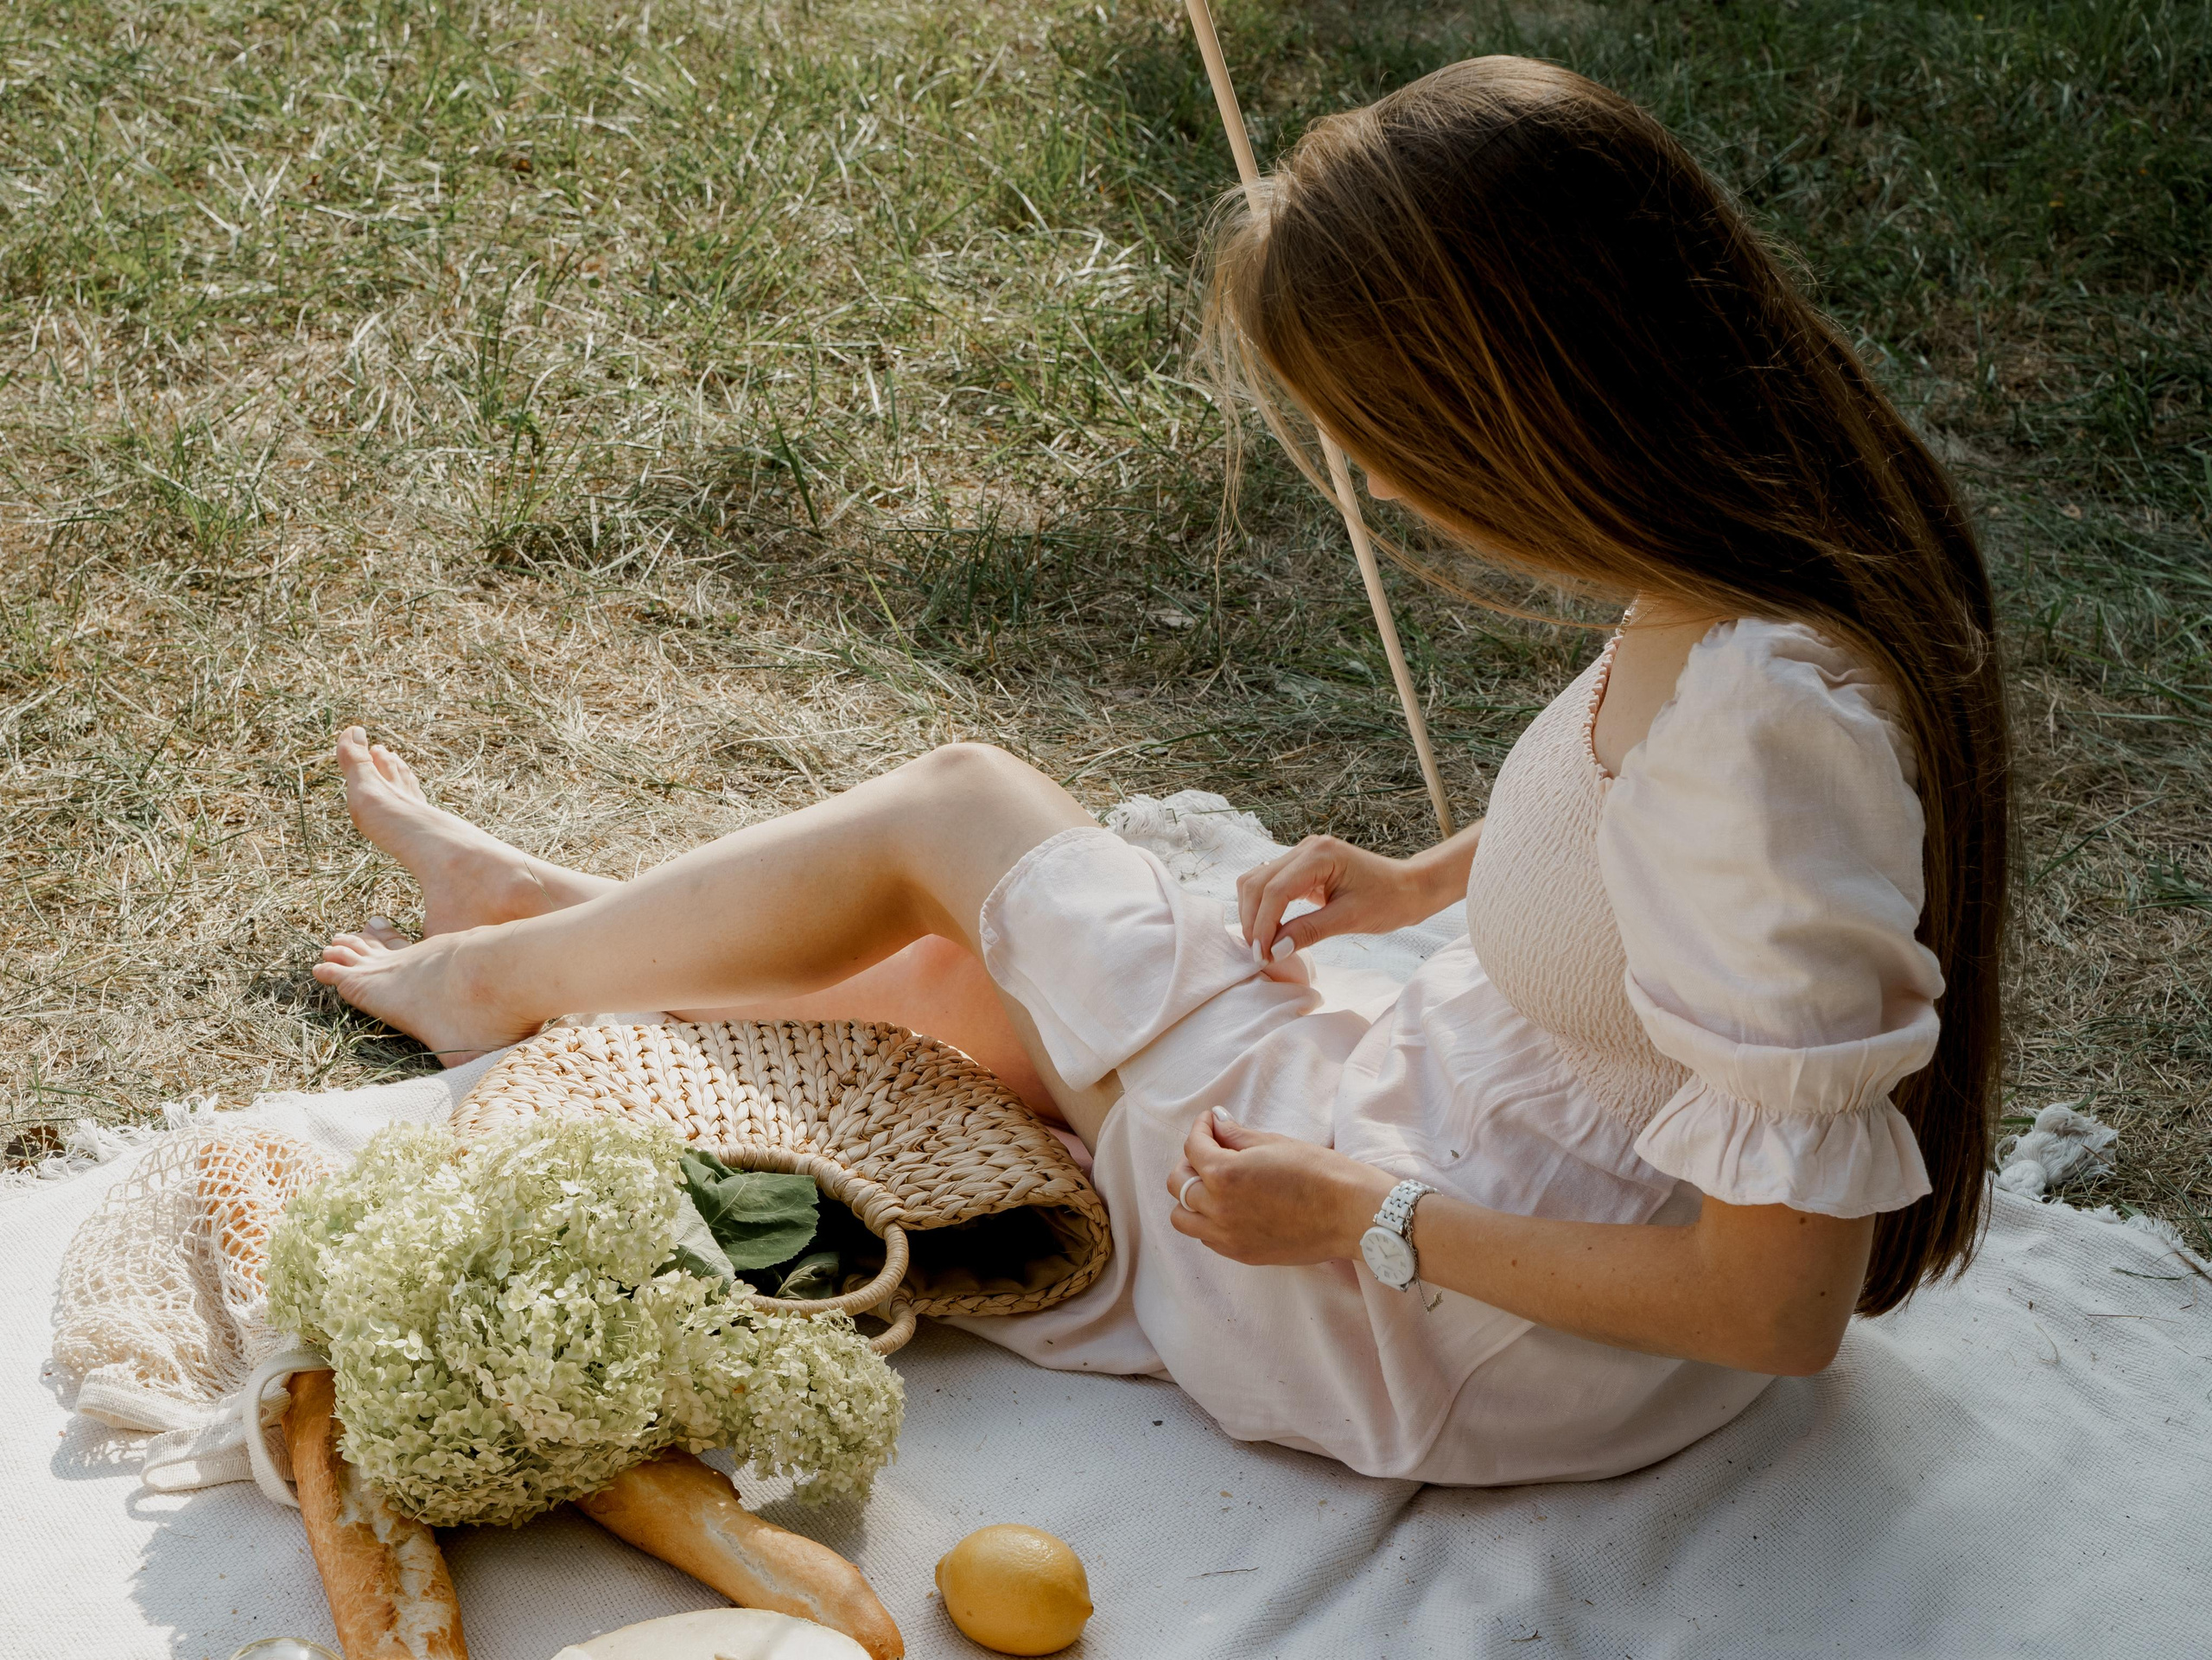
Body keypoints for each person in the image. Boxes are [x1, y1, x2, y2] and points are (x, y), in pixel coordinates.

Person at [312, 56, 2009, 1485]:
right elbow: (1646, 832)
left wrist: (1366, 1215)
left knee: (951, 838)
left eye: (1385, 448)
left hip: (1470, 1313)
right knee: (946, 971)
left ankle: (500, 971)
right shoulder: (1757, 549)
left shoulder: (1767, 733)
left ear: (1527, 401)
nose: (1391, 494)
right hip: (1465, 1137)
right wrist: (1424, 881)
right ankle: (553, 930)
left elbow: (1774, 1306)